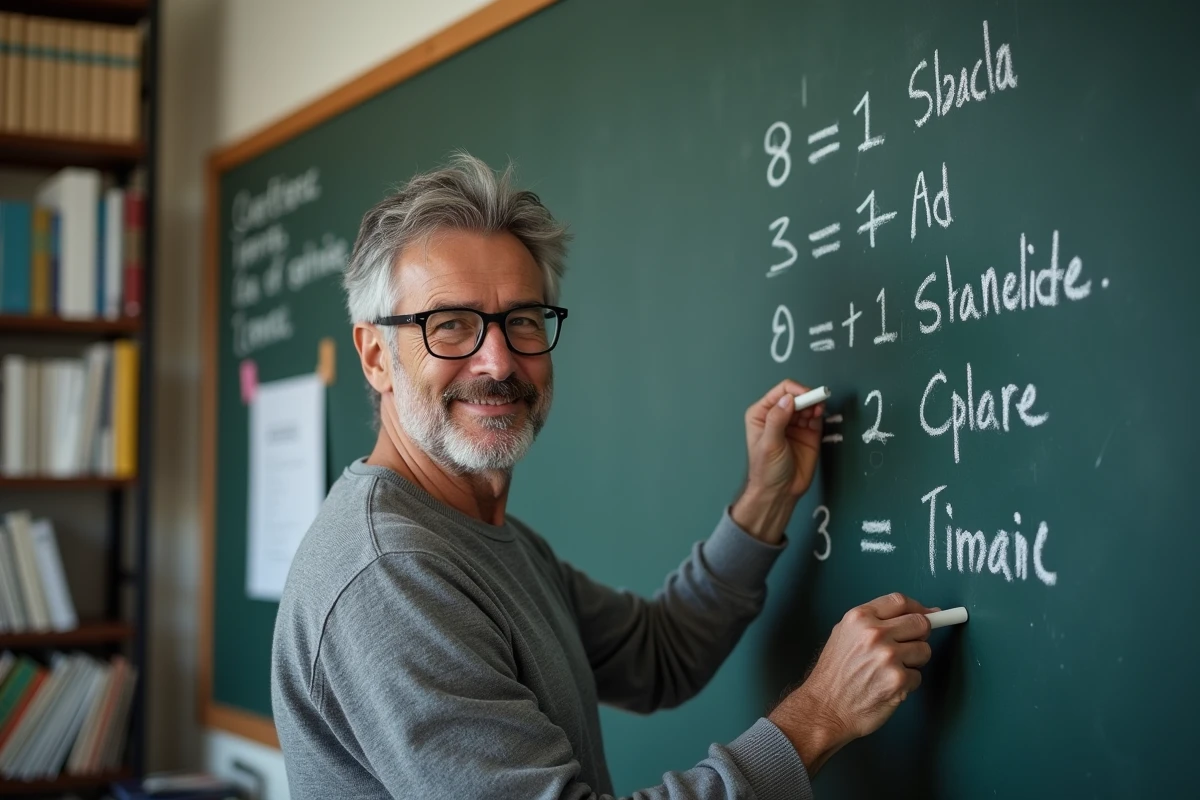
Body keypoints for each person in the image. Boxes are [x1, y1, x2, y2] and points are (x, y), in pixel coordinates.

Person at [271, 153, 937, 800]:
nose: (497, 360)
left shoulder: (484, 541)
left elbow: (660, 655)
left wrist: (765, 499)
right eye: (451, 326)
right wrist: (818, 717)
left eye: (522, 320)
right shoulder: (390, 576)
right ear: (375, 356)